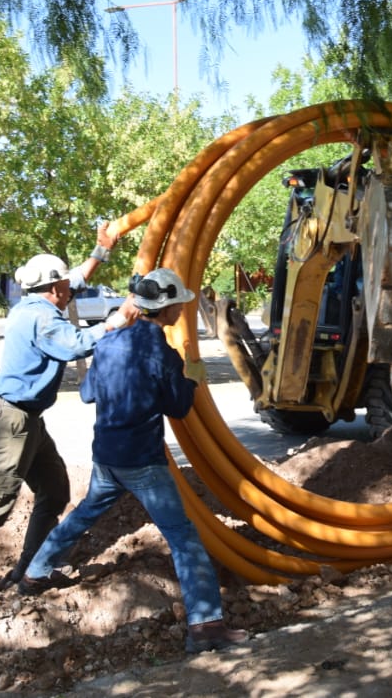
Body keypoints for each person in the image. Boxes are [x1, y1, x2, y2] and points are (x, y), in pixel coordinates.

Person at [18, 267, 249, 654]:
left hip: (107, 457)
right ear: (168, 307)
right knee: (185, 539)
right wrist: (191, 378)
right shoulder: (162, 353)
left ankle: (35, 575)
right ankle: (207, 628)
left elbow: (89, 395)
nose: (181, 311)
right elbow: (178, 407)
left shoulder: (107, 344)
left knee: (83, 515)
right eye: (178, 305)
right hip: (143, 462)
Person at [0, 224, 130, 606]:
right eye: (65, 287)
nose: (70, 290)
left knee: (55, 490)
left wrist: (101, 250)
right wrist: (119, 318)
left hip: (28, 420)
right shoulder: (42, 319)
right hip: (13, 422)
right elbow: (77, 345)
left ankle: (33, 565)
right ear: (54, 289)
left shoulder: (35, 303)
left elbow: (75, 277)